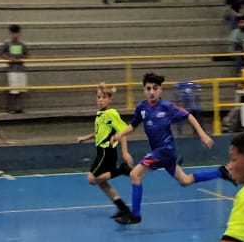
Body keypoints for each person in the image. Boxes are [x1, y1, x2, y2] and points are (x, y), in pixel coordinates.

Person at [108, 71, 220, 225]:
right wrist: (118, 136)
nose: (152, 92)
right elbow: (132, 125)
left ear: (160, 89)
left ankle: (135, 215)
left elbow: (189, 116)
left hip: (165, 149)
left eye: (155, 88)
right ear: (144, 90)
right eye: (148, 88)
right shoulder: (141, 107)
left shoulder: (167, 107)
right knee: (185, 181)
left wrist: (203, 135)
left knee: (135, 174)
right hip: (161, 153)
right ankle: (220, 172)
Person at [76, 83, 136, 218]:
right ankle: (123, 208)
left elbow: (123, 131)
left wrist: (125, 152)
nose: (100, 100)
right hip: (101, 151)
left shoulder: (111, 113)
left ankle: (121, 169)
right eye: (98, 97)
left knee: (92, 179)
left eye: (103, 97)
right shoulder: (100, 114)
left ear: (110, 99)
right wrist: (86, 137)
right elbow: (100, 132)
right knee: (101, 182)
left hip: (106, 152)